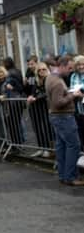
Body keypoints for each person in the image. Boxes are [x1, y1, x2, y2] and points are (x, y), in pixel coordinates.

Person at [45, 57, 84, 186]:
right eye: (69, 68)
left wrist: (68, 93)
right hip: (63, 117)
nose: (70, 71)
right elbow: (58, 102)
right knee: (74, 145)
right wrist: (73, 95)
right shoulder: (57, 82)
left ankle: (64, 175)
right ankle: (71, 177)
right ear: (62, 66)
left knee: (62, 146)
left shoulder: (51, 77)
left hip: (57, 117)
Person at [25, 62, 54, 158]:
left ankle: (48, 149)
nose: (41, 71)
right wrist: (31, 96)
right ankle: (41, 148)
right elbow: (32, 92)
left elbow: (47, 93)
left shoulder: (50, 79)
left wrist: (36, 98)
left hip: (46, 108)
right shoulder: (36, 81)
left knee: (46, 128)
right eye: (39, 70)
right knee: (37, 128)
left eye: (44, 69)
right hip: (35, 108)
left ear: (47, 69)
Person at [69, 55, 84, 151]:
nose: (81, 67)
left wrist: (81, 95)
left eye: (83, 64)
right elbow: (71, 88)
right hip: (78, 109)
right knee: (81, 132)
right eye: (79, 65)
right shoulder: (73, 76)